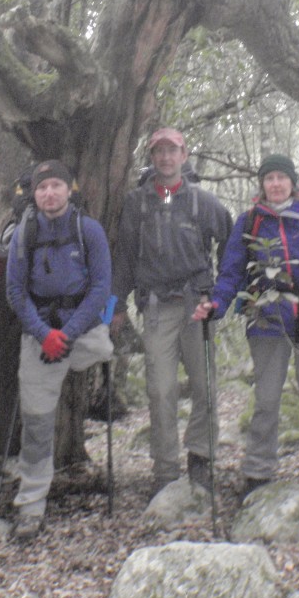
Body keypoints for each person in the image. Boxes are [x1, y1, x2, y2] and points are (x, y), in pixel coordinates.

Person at [195, 154, 299, 500]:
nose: (275, 184)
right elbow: (232, 271)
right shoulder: (249, 223)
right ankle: (258, 472)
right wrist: (217, 304)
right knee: (266, 400)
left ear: (293, 182)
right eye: (269, 178)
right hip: (267, 319)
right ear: (262, 184)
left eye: (281, 177)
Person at [112, 128, 232, 495]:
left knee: (204, 386)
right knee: (160, 390)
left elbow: (230, 245)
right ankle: (165, 471)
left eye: (172, 151)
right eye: (159, 151)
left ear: (184, 154)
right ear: (152, 157)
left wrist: (221, 297)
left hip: (197, 304)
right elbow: (124, 259)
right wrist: (113, 309)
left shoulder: (203, 201)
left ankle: (200, 457)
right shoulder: (137, 203)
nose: (166, 158)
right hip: (156, 307)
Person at [5, 160, 113, 540]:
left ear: (70, 189)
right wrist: (43, 333)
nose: (49, 193)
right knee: (36, 422)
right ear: (33, 194)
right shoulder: (24, 233)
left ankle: (102, 394)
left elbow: (101, 288)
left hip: (80, 330)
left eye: (56, 186)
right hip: (39, 334)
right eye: (42, 188)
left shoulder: (89, 230)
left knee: (106, 350)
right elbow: (15, 292)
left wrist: (65, 334)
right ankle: (31, 504)